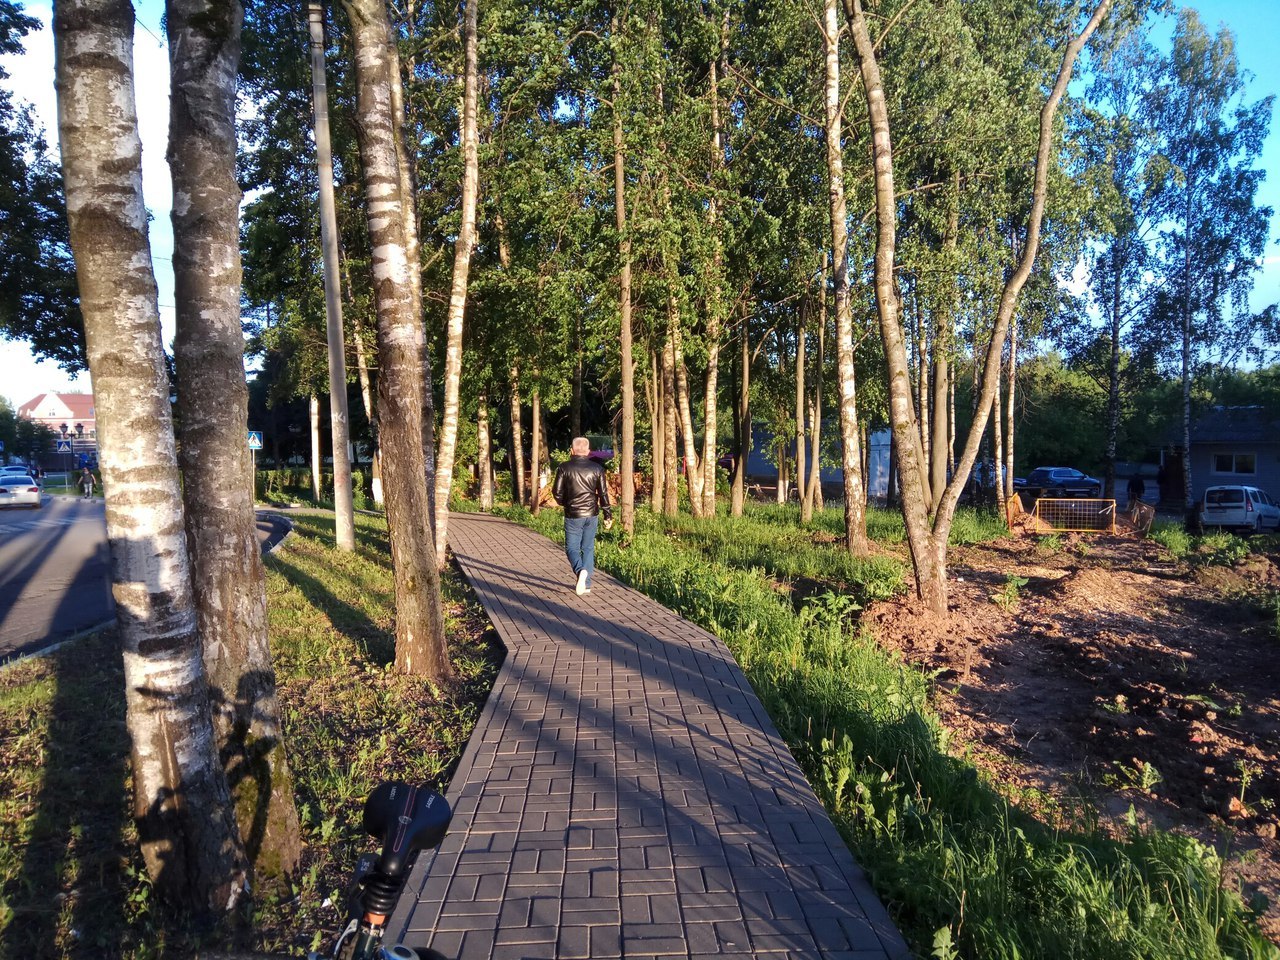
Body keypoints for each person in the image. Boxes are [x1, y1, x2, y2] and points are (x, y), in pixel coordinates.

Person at [552, 437, 613, 596]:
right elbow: (603, 494)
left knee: (572, 548)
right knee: (588, 547)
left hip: (573, 515)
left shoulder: (564, 468)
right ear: (587, 451)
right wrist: (608, 514)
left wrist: (566, 503)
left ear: (572, 451)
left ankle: (580, 572)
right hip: (592, 514)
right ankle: (586, 584)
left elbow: (556, 493)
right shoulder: (597, 468)